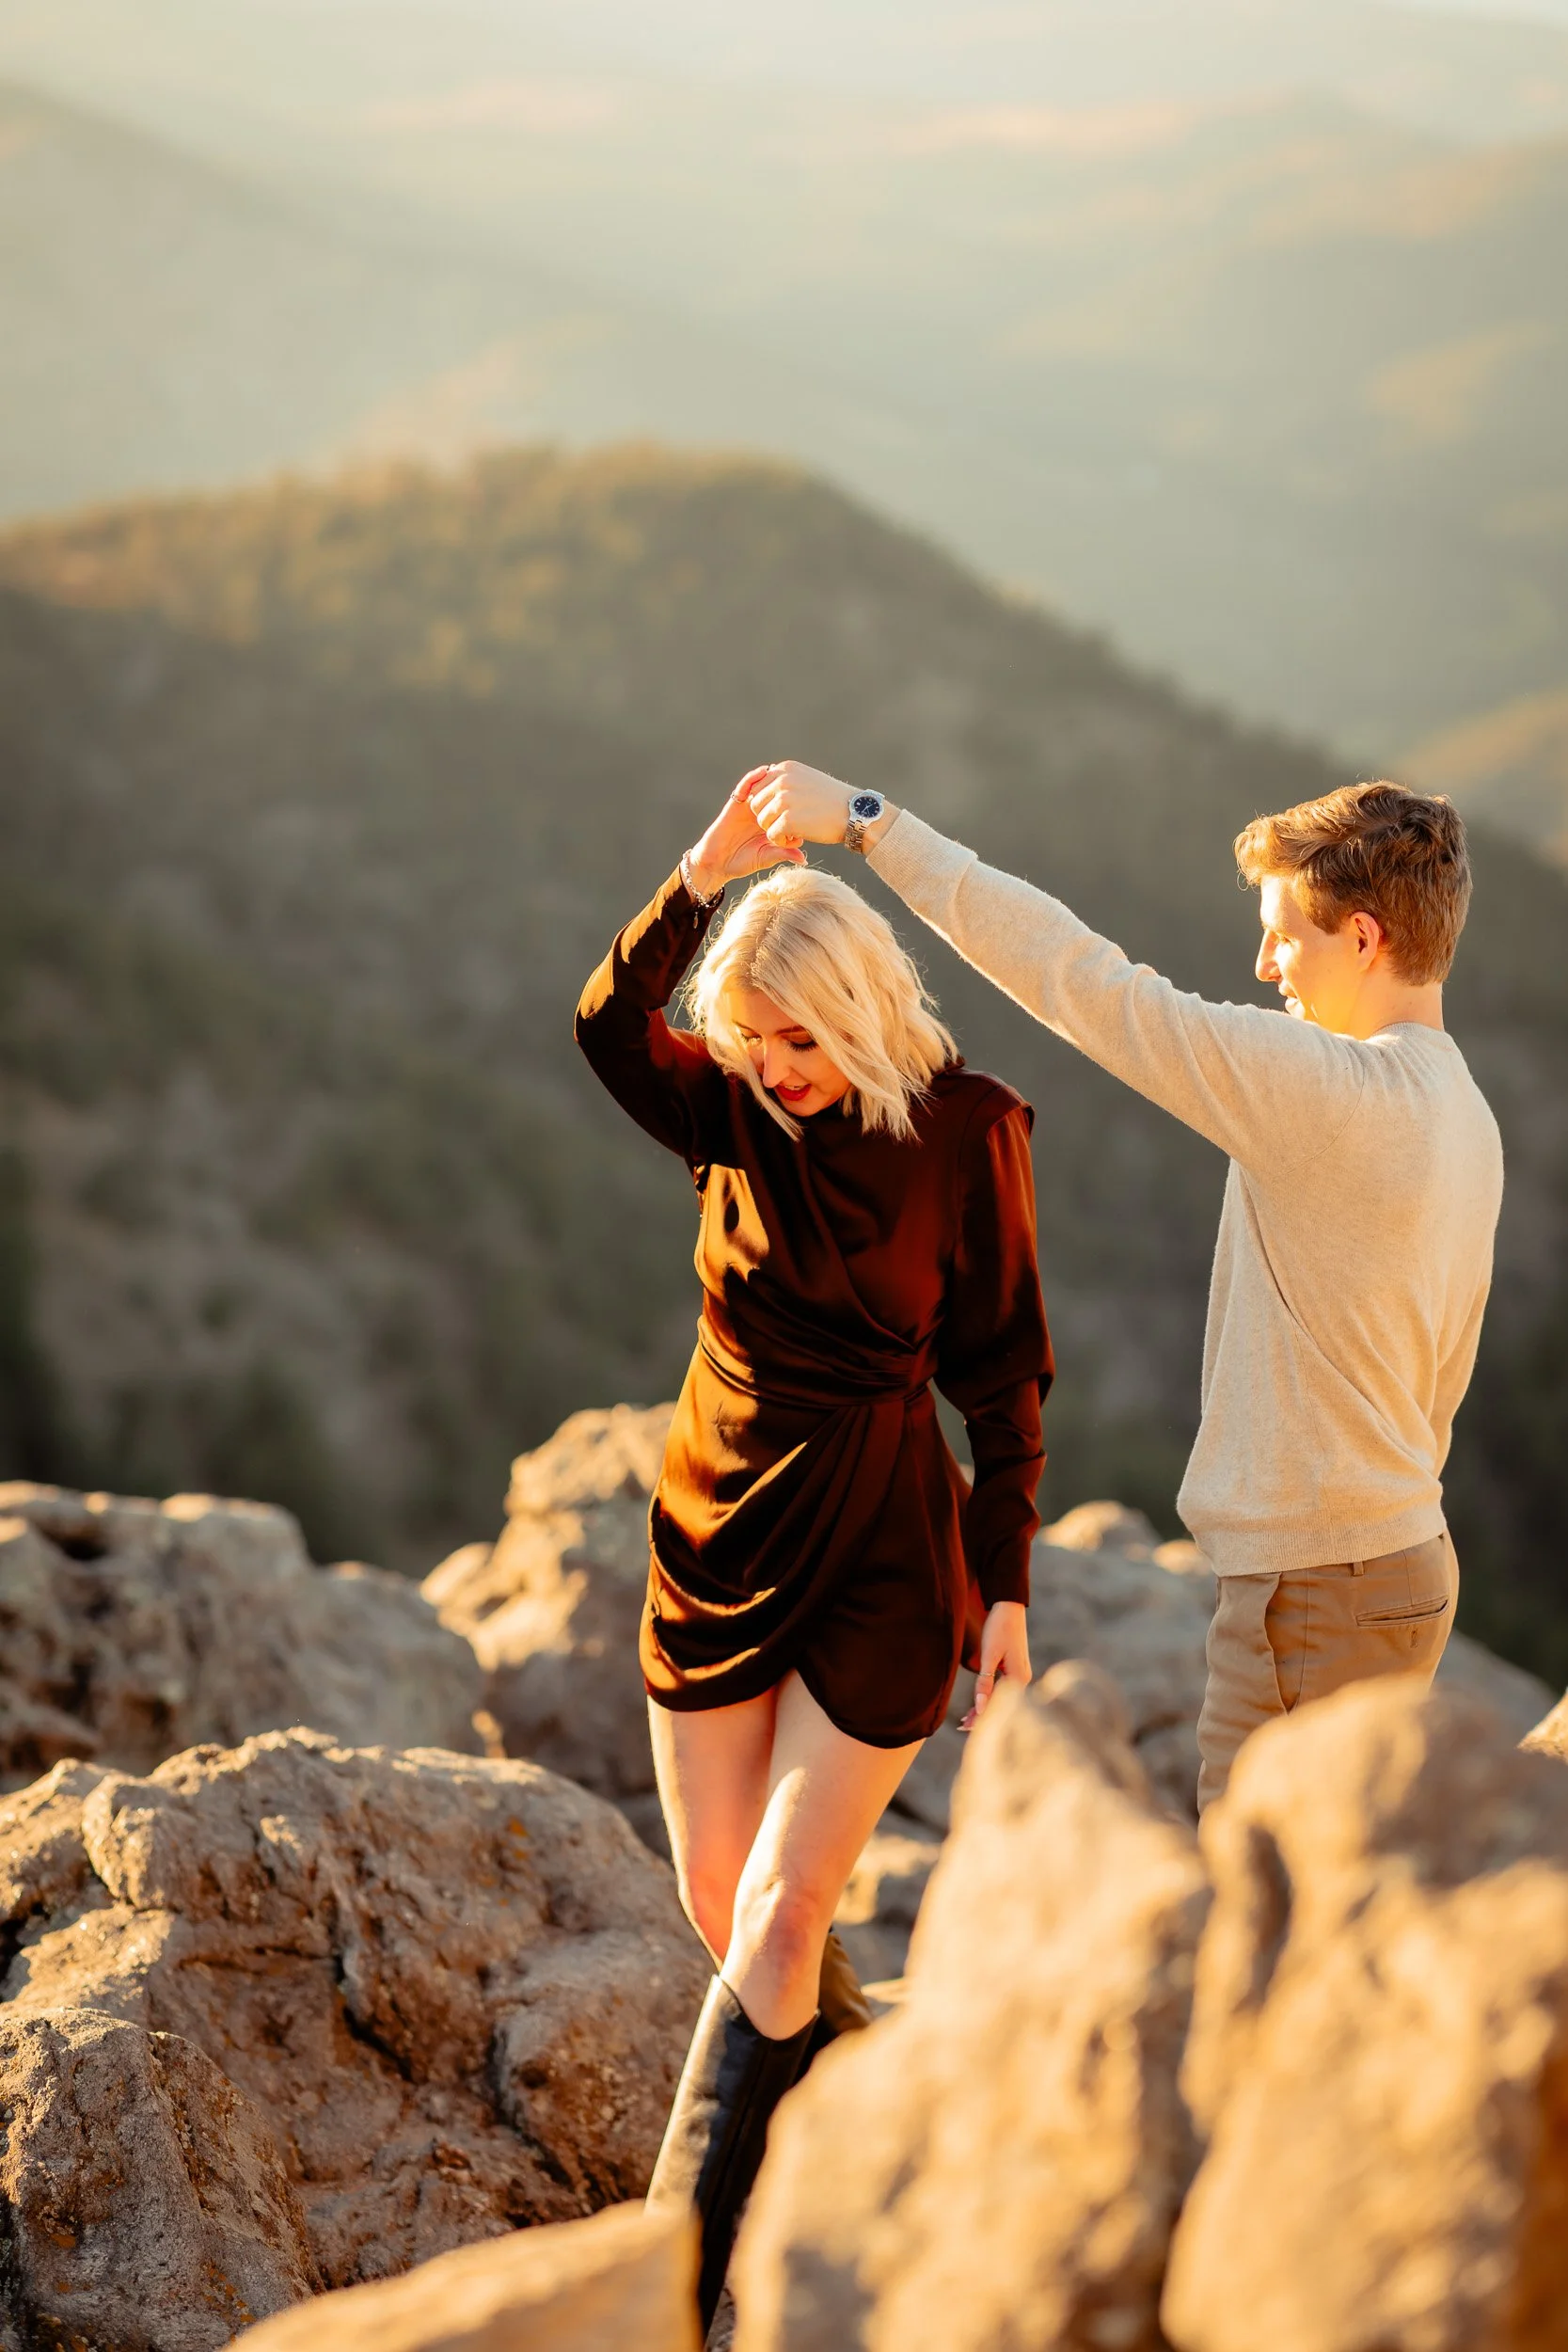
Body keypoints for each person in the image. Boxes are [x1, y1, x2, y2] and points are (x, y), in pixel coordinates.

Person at [746, 763, 1504, 1813]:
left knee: (1260, 1920)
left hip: (1318, 1591)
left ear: (1364, 937)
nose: (1264, 961)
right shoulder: (1461, 1108)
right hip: (1397, 1564)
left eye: (1285, 933)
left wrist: (873, 826)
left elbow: (1083, 982)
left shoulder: (1327, 1092)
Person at [575, 771, 1052, 2333]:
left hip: (887, 1554)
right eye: (753, 1038)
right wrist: (702, 872)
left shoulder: (965, 1132)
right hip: (716, 1524)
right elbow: (603, 1020)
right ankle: (873, 2140)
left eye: (803, 1039)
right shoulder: (717, 1103)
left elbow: (1002, 1373)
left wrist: (1011, 1583)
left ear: (858, 1014)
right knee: (730, 1914)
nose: (776, 1071)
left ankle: (669, 2285)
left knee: (783, 1918)